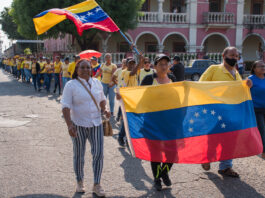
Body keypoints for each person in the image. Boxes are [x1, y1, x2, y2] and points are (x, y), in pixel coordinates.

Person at [199, 46, 252, 178]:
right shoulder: (214, 69)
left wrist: (247, 85)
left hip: (232, 113)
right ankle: (207, 157)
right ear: (223, 56)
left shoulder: (237, 73)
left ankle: (225, 167)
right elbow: (200, 85)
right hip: (215, 112)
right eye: (232, 55)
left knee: (230, 139)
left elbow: (239, 92)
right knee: (213, 138)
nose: (234, 58)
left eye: (236, 56)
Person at [61, 59, 110, 196]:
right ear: (77, 70)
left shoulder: (97, 83)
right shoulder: (71, 85)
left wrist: (105, 109)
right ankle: (80, 181)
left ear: (91, 69)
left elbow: (101, 99)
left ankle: (97, 184)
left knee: (98, 154)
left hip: (96, 123)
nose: (86, 70)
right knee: (79, 155)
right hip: (78, 124)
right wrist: (69, 125)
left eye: (88, 67)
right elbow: (65, 106)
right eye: (82, 67)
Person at [141, 54, 177, 191]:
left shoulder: (173, 79)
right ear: (154, 66)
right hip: (153, 122)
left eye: (166, 64)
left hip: (170, 122)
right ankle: (157, 179)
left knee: (172, 152)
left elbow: (179, 98)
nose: (163, 66)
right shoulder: (149, 79)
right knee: (155, 153)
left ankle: (164, 172)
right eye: (160, 64)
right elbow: (138, 96)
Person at [117, 56, 144, 147]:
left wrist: (141, 60)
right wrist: (139, 62)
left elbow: (139, 68)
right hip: (126, 99)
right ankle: (121, 137)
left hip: (134, 99)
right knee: (127, 120)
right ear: (126, 64)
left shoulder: (136, 71)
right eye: (130, 63)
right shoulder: (125, 72)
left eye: (133, 63)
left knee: (132, 120)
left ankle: (128, 139)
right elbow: (132, 73)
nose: (132, 65)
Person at [248, 60, 265, 159]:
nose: (263, 68)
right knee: (262, 130)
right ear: (254, 68)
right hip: (257, 109)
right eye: (260, 66)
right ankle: (263, 151)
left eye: (264, 66)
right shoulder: (251, 79)